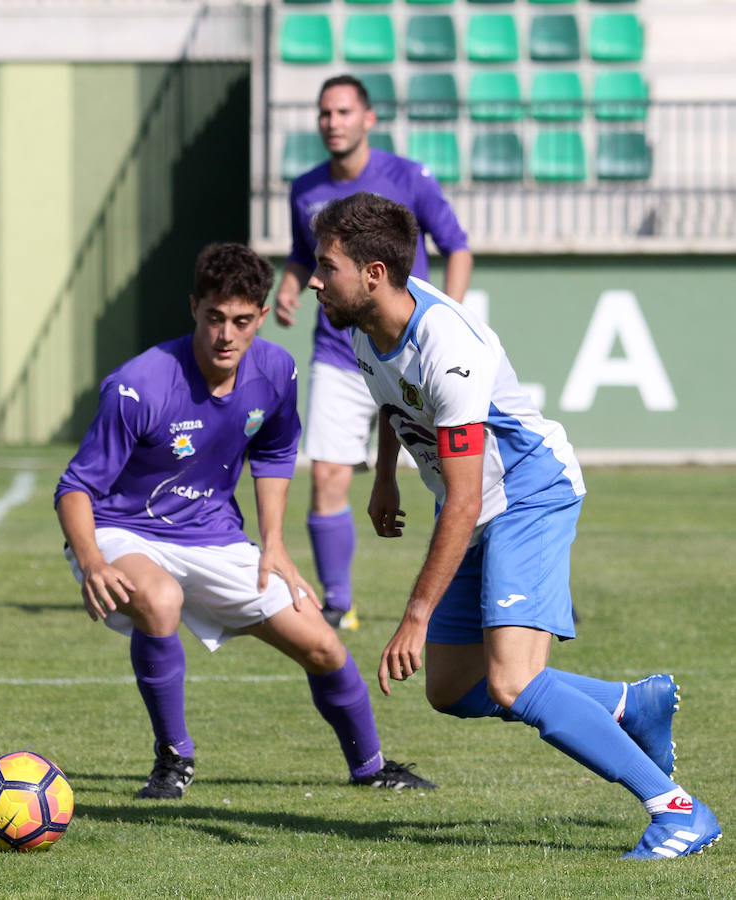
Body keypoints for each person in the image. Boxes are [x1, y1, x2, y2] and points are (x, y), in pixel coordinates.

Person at [307, 192, 722, 860]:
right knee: (452, 689)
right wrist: (384, 474)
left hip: (528, 492)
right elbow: (392, 400)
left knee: (510, 682)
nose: (312, 279)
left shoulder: (449, 345)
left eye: (325, 266)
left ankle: (676, 810)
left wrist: (415, 613)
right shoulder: (360, 329)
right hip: (473, 503)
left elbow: (467, 502)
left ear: (375, 273)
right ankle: (628, 704)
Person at [55, 241, 436, 798]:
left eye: (239, 320)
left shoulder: (277, 371)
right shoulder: (137, 384)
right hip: (122, 529)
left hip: (213, 536)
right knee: (159, 600)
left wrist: (274, 545)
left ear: (261, 316)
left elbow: (276, 454)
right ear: (194, 309)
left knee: (323, 644)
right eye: (213, 318)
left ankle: (371, 768)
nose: (225, 335)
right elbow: (75, 488)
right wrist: (90, 559)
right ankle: (173, 758)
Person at [274, 74, 472, 631]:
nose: (331, 122)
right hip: (339, 351)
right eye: (323, 114)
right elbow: (301, 254)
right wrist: (290, 285)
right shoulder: (305, 187)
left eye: (342, 112)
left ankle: (517, 580)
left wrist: (444, 322)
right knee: (328, 475)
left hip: (413, 354)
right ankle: (339, 603)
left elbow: (456, 245)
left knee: (468, 479)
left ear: (367, 119)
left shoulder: (408, 177)